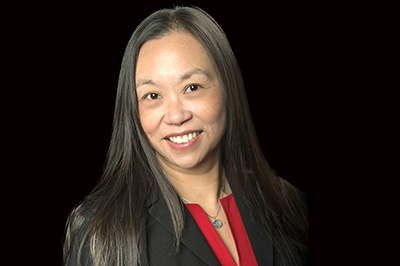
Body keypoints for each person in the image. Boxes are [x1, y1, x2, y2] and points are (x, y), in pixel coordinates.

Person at [63, 6, 308, 266]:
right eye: (153, 96)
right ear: (133, 111)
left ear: (228, 89)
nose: (176, 116)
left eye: (192, 87)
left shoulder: (289, 205)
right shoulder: (101, 229)